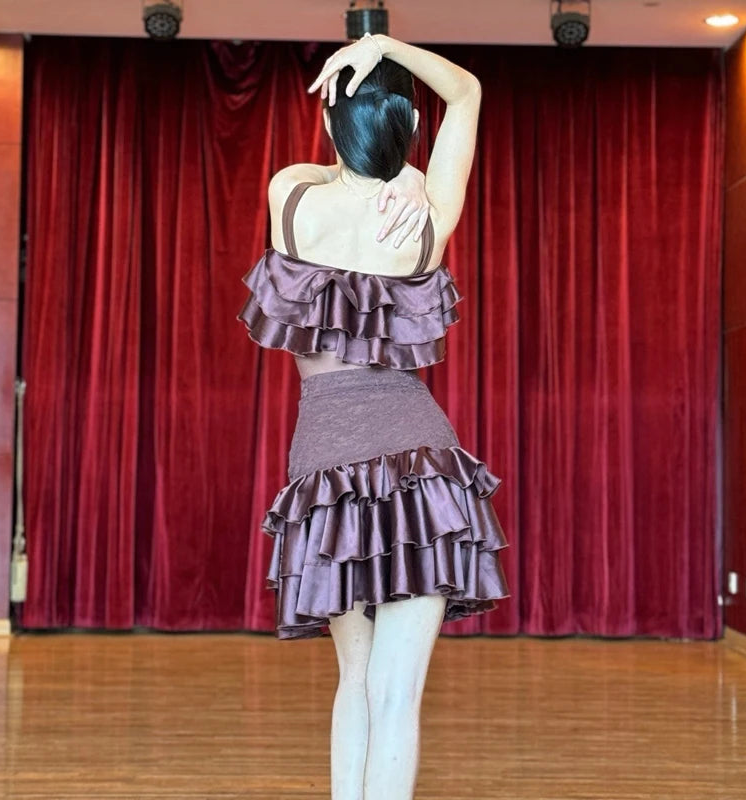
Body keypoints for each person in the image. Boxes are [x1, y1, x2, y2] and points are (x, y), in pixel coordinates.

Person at [237, 32, 510, 800]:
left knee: (354, 681)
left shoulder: (292, 195)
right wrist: (412, 165)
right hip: (422, 463)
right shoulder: (426, 218)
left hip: (324, 469)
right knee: (396, 697)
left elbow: (340, 166)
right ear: (413, 128)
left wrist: (390, 163)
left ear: (330, 120)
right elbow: (466, 92)